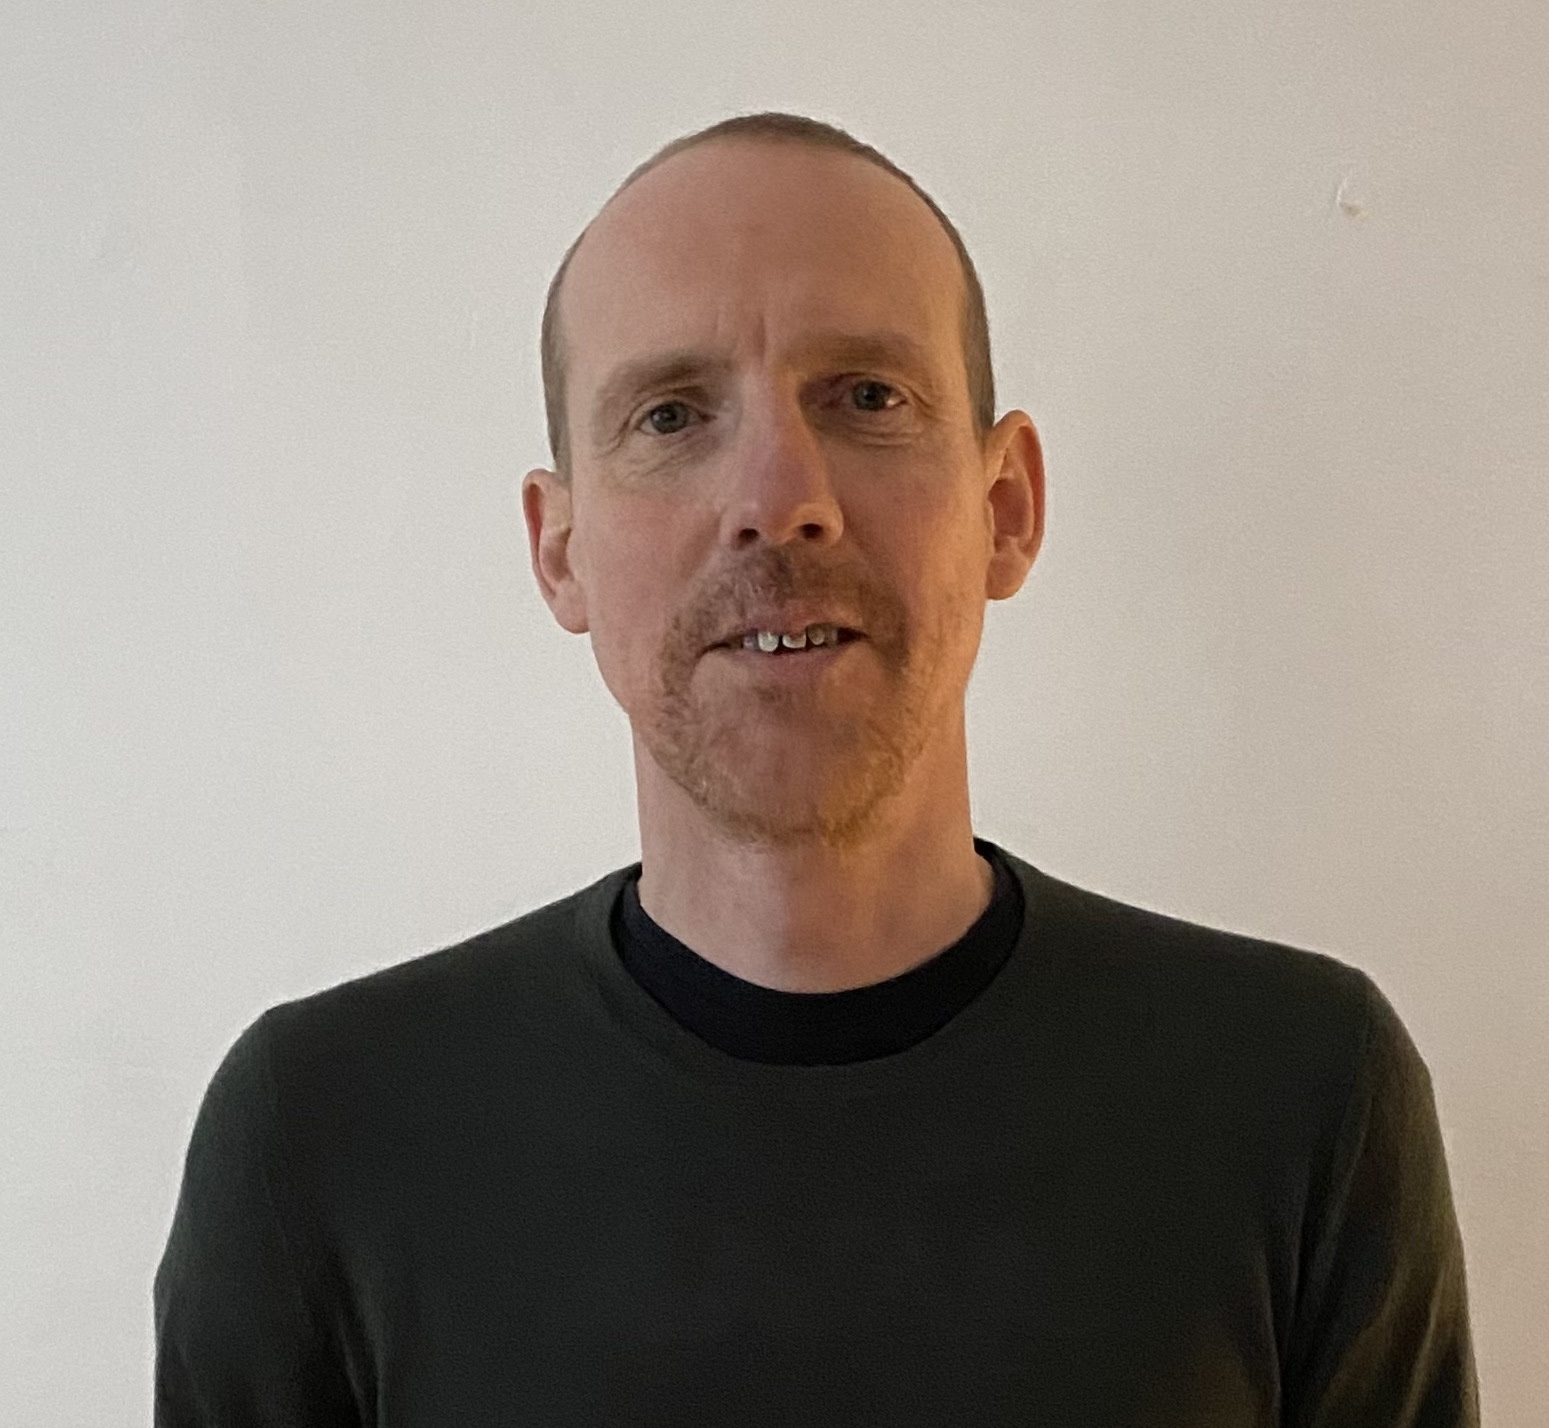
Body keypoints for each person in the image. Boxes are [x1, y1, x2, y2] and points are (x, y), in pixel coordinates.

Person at [153, 111, 1480, 1425]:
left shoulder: (1302, 1094)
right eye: (671, 414)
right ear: (559, 551)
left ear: (1004, 506)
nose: (778, 495)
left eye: (864, 396)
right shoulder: (322, 1136)